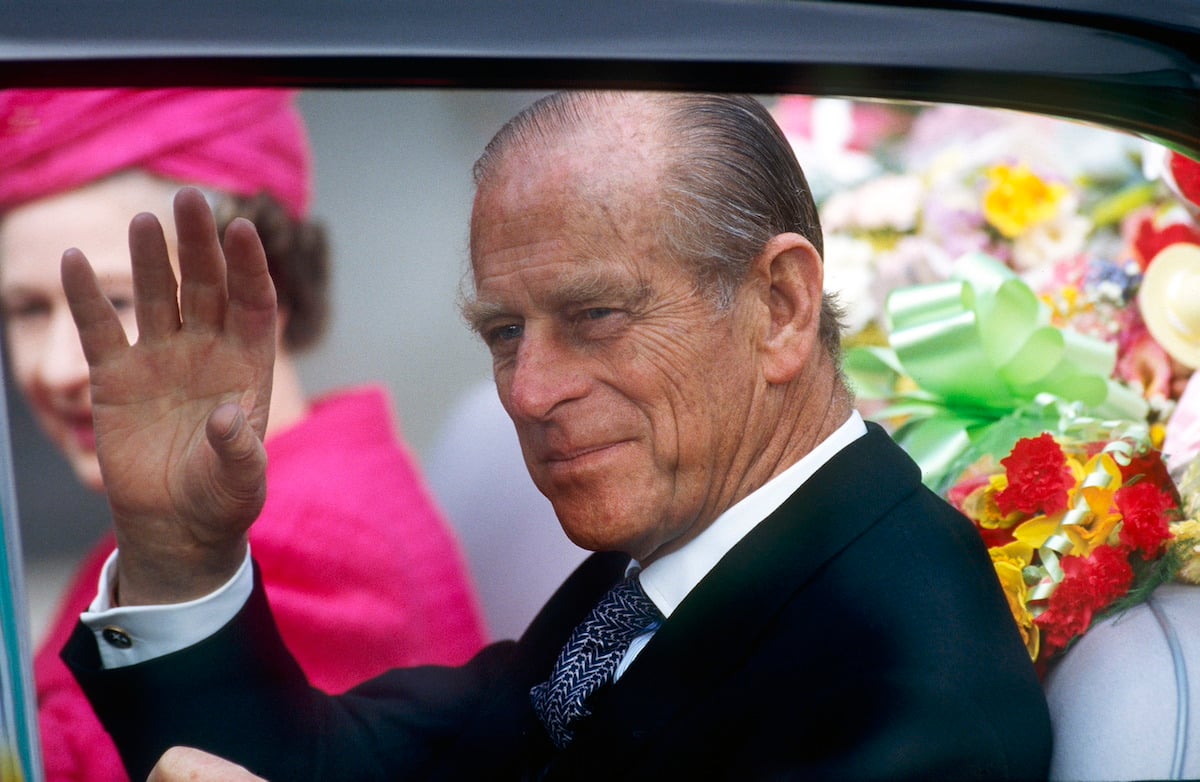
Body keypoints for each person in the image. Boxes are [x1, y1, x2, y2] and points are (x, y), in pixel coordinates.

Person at [59, 91, 1050, 781]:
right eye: (502, 332)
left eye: (595, 315)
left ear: (782, 306)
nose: (527, 391)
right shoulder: (660, 582)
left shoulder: (909, 688)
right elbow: (333, 766)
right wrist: (181, 554)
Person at [0, 88, 487, 782]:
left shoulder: (311, 540)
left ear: (268, 292)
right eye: (24, 310)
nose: (53, 368)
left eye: (114, 302)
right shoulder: (199, 508)